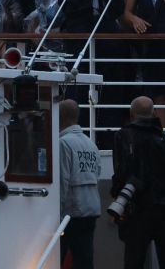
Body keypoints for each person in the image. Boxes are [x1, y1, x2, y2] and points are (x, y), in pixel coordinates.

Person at [110, 97, 165, 269]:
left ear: (132, 114)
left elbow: (122, 171)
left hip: (137, 208)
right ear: (153, 113)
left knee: (134, 260)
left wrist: (118, 195)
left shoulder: (123, 136)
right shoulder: (163, 140)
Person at [58, 98, 100, 269]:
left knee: (55, 258)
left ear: (59, 116)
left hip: (71, 212)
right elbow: (96, 173)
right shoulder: (91, 144)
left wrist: (57, 214)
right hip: (91, 209)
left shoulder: (63, 143)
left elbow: (62, 180)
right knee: (85, 260)